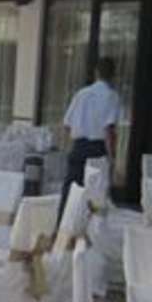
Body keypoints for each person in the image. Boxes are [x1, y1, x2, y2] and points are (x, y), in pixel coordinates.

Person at [58, 56, 121, 222]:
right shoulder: (111, 96)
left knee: (71, 190)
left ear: (96, 73)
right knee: (96, 195)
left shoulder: (82, 94)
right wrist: (112, 157)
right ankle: (91, 231)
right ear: (113, 75)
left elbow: (67, 124)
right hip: (97, 149)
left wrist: (72, 145)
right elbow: (109, 130)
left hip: (79, 147)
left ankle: (62, 227)